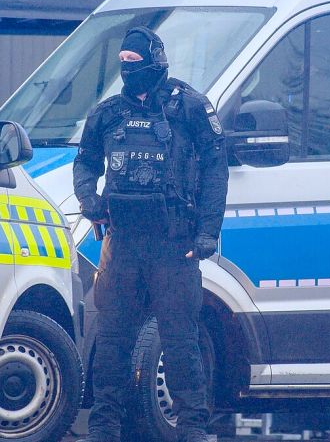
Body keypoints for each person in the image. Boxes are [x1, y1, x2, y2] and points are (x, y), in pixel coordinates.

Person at [74, 27, 229, 442]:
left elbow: (216, 169)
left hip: (175, 245)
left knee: (180, 342)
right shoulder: (107, 113)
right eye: (122, 63)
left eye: (135, 62)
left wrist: (207, 232)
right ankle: (104, 428)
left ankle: (192, 428)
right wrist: (90, 201)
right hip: (122, 244)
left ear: (155, 60)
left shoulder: (190, 108)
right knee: (111, 341)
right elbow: (86, 162)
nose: (128, 70)